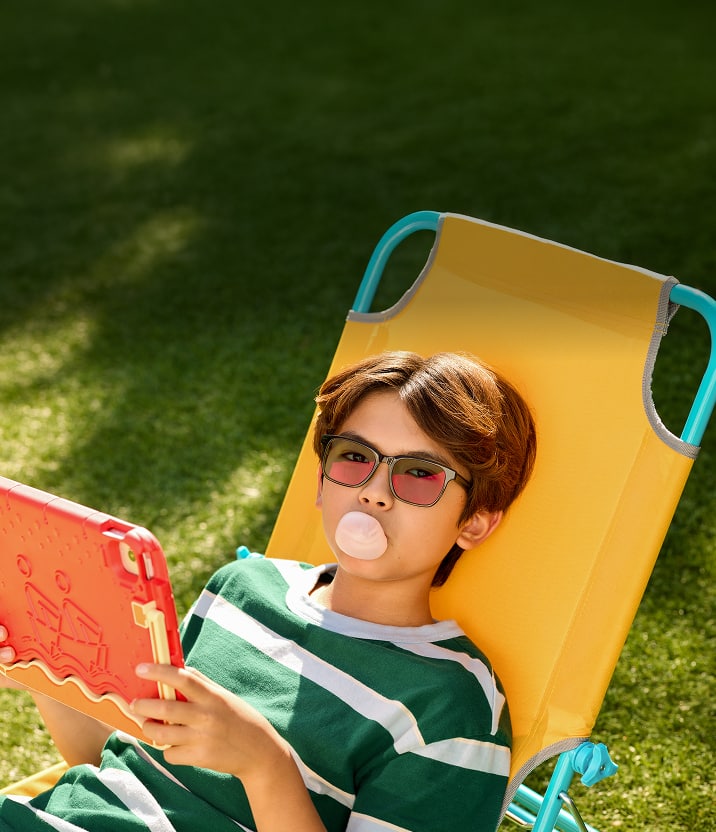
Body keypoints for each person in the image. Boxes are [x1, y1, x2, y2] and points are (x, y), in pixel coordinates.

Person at [0, 350, 536, 832]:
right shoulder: (242, 586)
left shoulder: (452, 707)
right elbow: (120, 769)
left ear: (475, 522)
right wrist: (39, 662)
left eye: (419, 474)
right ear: (321, 482)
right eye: (354, 458)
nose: (374, 492)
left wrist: (264, 765)